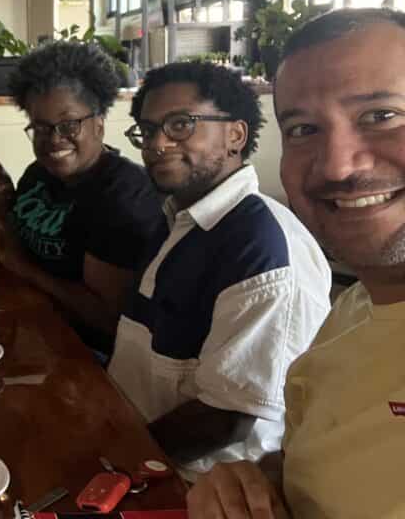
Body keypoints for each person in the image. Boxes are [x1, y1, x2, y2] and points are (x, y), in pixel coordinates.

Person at [188, 9, 405, 518]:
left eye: (381, 115)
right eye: (304, 129)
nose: (337, 165)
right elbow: (313, 464)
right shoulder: (353, 308)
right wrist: (253, 483)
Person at [110, 61, 331, 478]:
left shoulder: (262, 247)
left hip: (195, 480)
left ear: (235, 135)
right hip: (140, 442)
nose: (157, 143)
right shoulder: (181, 216)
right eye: (148, 129)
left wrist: (118, 457)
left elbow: (227, 419)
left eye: (180, 125)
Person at [0, 41, 166, 352]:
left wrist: (24, 268)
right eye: (41, 127)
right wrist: (4, 191)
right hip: (31, 324)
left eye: (68, 125)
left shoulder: (123, 194)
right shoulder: (40, 172)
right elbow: (11, 239)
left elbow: (108, 318)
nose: (54, 139)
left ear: (99, 124)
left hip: (85, 355)